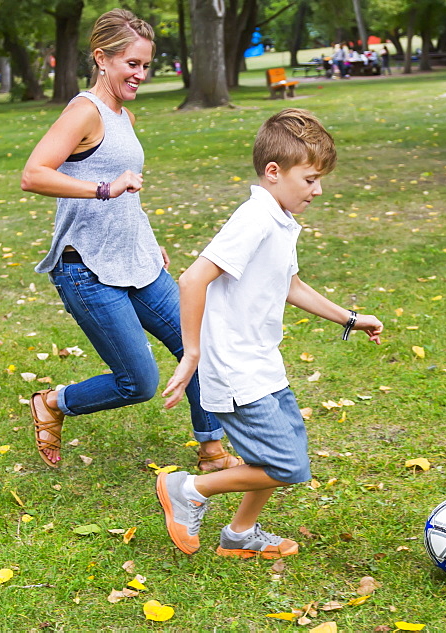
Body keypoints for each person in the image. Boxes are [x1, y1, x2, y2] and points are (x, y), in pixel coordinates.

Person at [156, 109, 384, 559]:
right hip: (237, 368)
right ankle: (189, 488)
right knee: (287, 465)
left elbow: (291, 285)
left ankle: (239, 536)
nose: (318, 190)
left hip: (263, 362)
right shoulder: (255, 218)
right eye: (311, 179)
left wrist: (349, 319)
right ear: (274, 172)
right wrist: (192, 353)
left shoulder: (278, 218)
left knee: (284, 452)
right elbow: (192, 279)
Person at [20, 9, 241, 473]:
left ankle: (212, 451)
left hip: (137, 261)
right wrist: (103, 189)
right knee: (138, 382)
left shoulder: (124, 114)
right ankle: (53, 402)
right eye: (132, 64)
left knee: (198, 344)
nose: (141, 74)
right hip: (85, 270)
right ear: (102, 58)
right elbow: (33, 174)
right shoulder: (84, 110)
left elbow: (128, 190)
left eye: (146, 65)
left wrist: (147, 239)